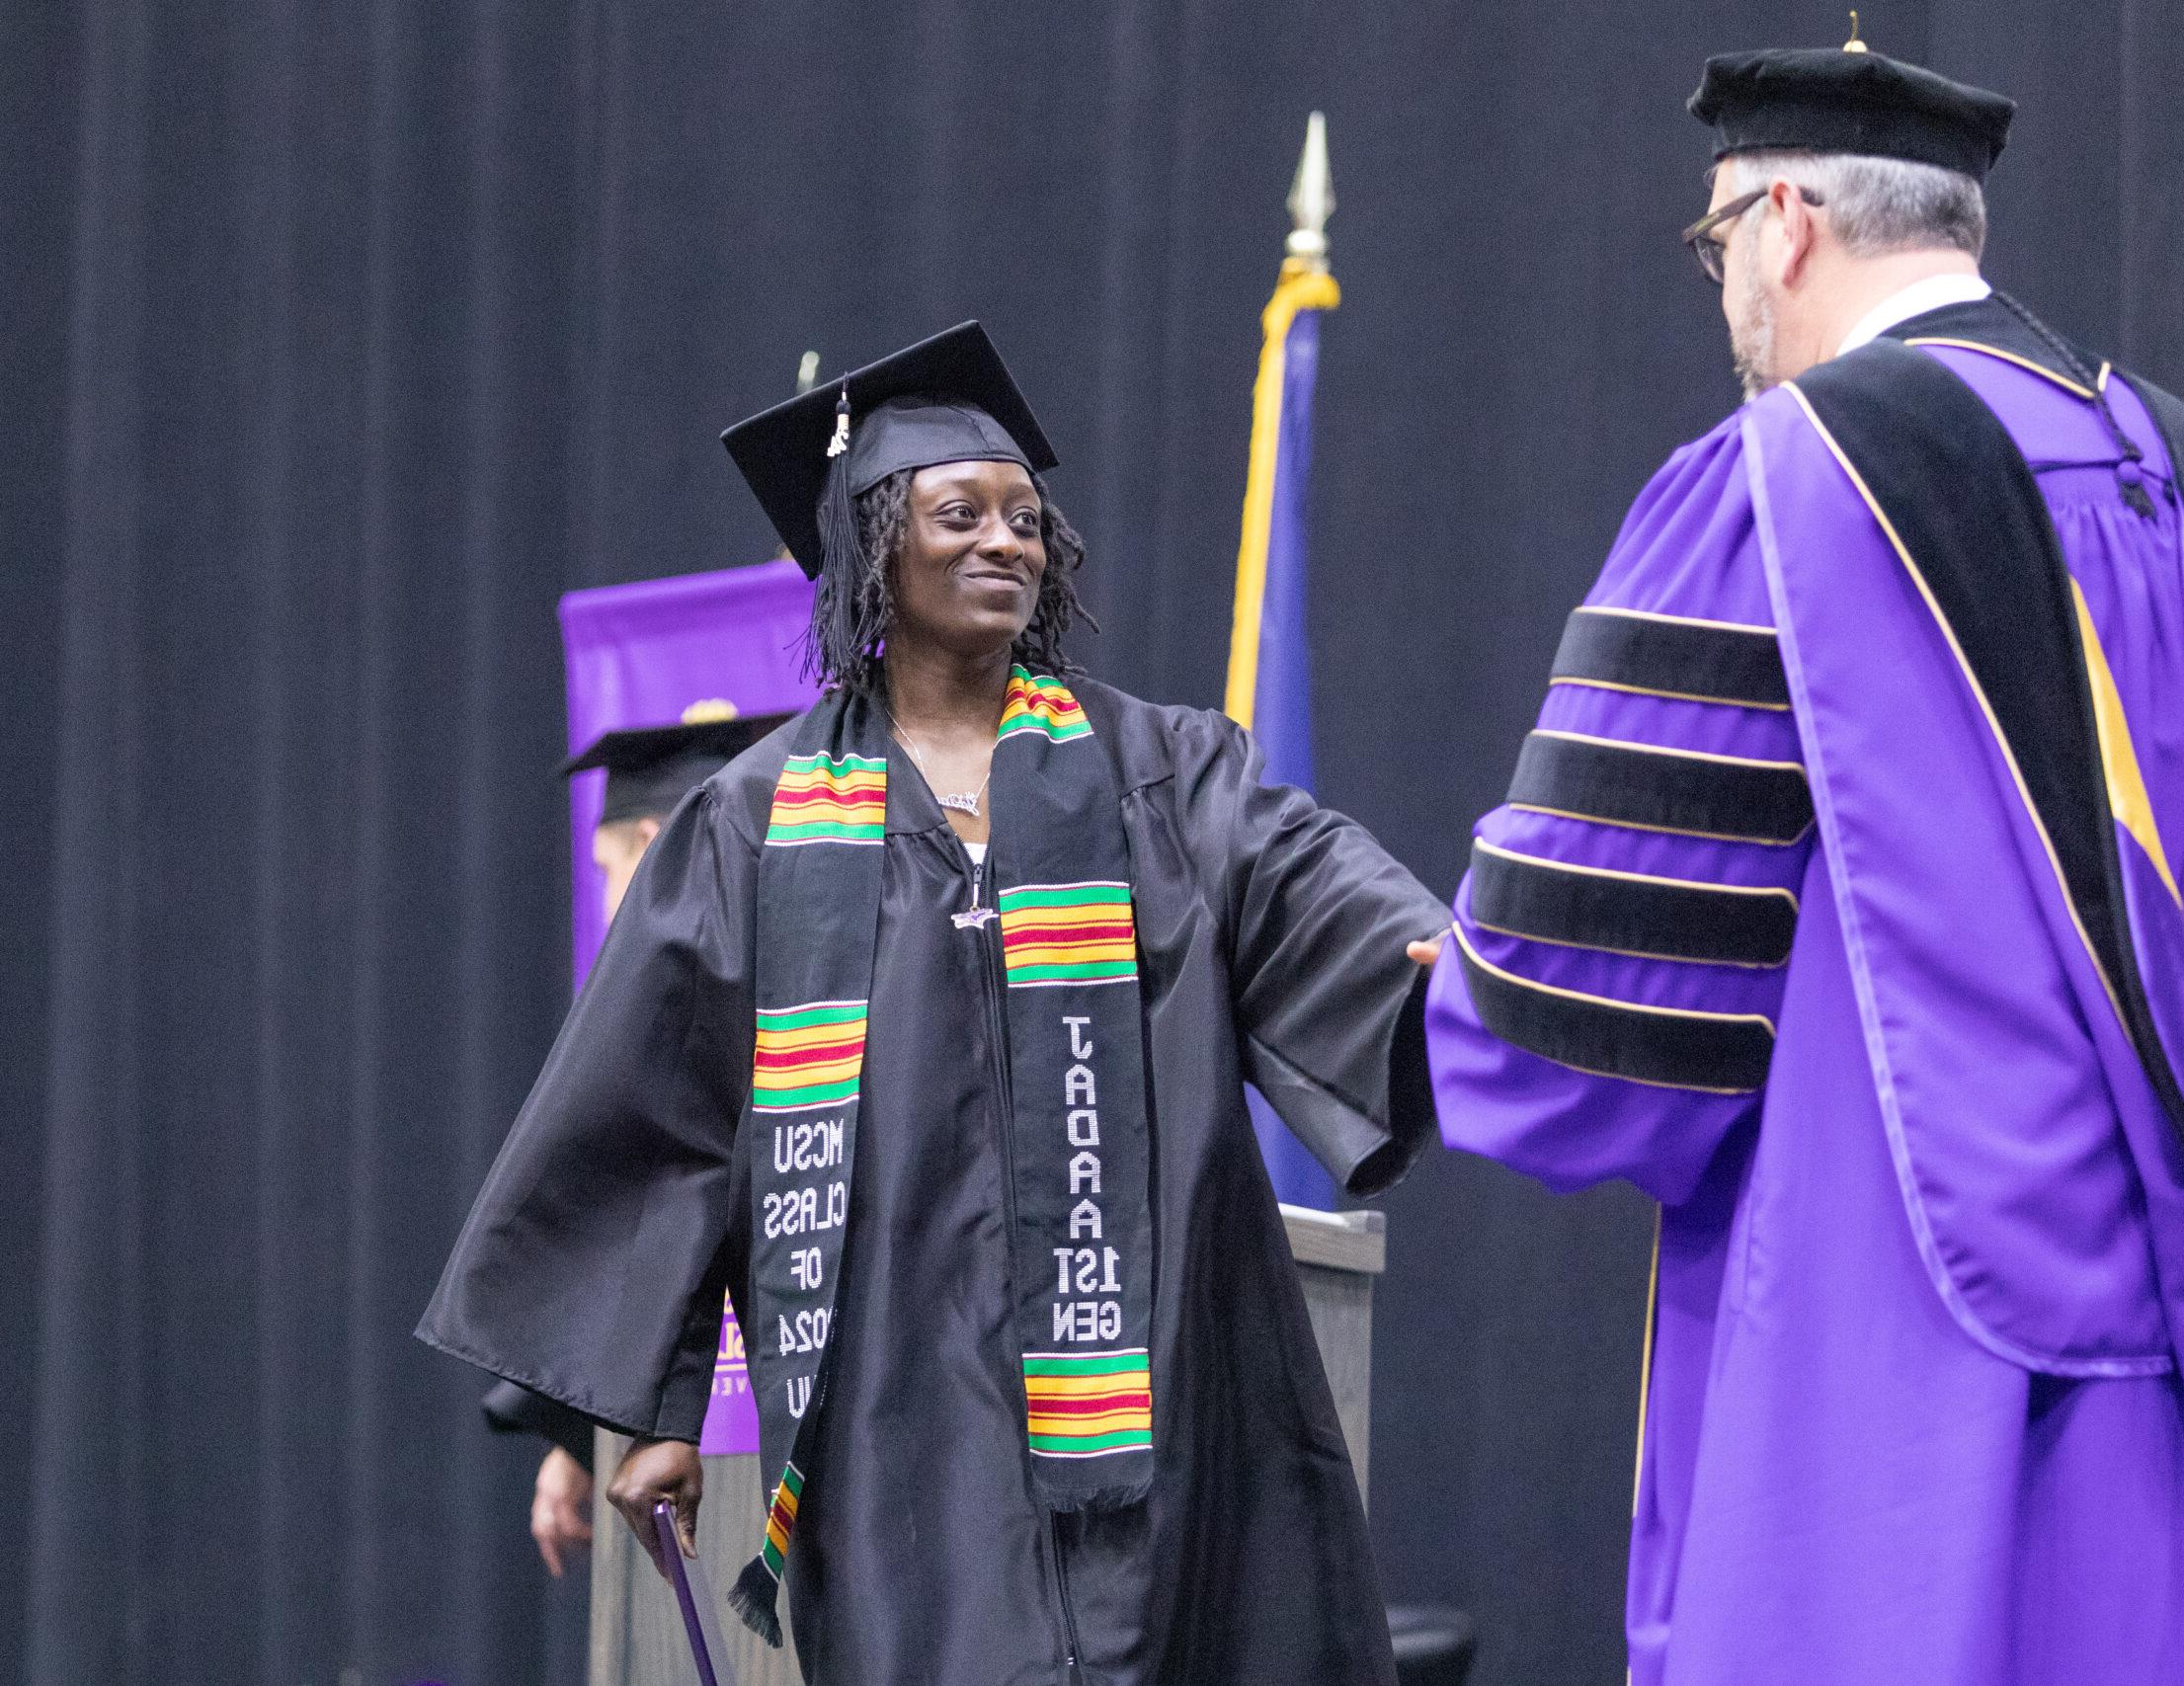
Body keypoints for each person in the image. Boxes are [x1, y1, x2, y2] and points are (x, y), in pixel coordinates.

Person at [1421, 37, 2184, 1686]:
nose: (1723, 287)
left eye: (1716, 244)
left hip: (1917, 1308)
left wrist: (1455, 1007)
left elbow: (1587, 986)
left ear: (1785, 222)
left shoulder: (1782, 481)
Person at [421, 321, 1445, 1684]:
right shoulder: (759, 822)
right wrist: (661, 1404)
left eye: (1027, 518)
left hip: (1156, 1362)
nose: (1006, 541)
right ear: (873, 550)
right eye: (960, 513)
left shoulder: (1159, 771)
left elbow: (1313, 886)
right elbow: (664, 1112)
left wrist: (1440, 956)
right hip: (900, 1385)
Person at [482, 700, 788, 1577]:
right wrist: (579, 1435)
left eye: (610, 868)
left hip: (706, 1448)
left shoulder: (671, 1013)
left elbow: (650, 1222)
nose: (611, 897)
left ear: (657, 843)